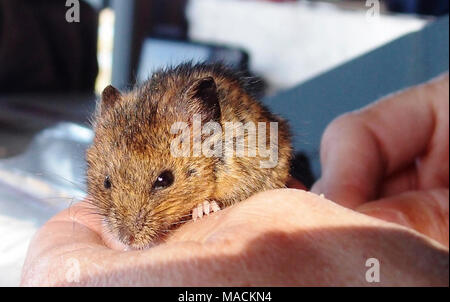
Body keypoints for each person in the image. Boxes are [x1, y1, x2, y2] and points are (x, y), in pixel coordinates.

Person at [21, 73, 449, 286]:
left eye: (162, 181)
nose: (127, 221)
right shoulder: (121, 126)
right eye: (109, 186)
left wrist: (218, 202)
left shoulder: (233, 149)